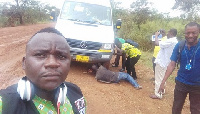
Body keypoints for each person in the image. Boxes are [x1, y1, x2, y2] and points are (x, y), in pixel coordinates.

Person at [0, 27, 86, 114]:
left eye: (61, 56)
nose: (52, 63)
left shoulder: (75, 93)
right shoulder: (4, 104)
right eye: (40, 55)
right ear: (24, 63)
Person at [158, 22, 200, 114]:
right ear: (184, 33)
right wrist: (163, 81)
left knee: (195, 110)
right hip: (181, 83)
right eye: (188, 33)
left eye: (194, 33)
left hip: (197, 85)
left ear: (199, 32)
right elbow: (172, 64)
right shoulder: (180, 46)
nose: (190, 35)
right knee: (176, 108)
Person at [150, 28, 178, 99]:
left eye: (168, 32)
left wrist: (156, 35)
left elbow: (157, 43)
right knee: (162, 77)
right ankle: (162, 90)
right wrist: (163, 35)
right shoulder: (174, 41)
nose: (167, 33)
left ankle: (158, 94)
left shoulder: (171, 41)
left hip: (162, 62)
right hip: (167, 62)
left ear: (171, 33)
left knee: (158, 78)